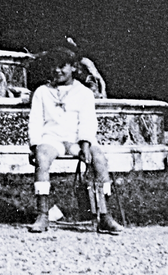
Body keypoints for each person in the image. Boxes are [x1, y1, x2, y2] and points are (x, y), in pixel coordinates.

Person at [27, 48, 124, 235]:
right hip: (52, 138)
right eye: (53, 66)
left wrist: (85, 144)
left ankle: (105, 215)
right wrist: (34, 146)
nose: (57, 70)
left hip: (77, 140)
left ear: (73, 68)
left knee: (99, 159)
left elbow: (88, 121)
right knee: (42, 158)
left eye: (62, 66)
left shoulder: (84, 93)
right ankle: (43, 215)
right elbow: (35, 121)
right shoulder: (42, 92)